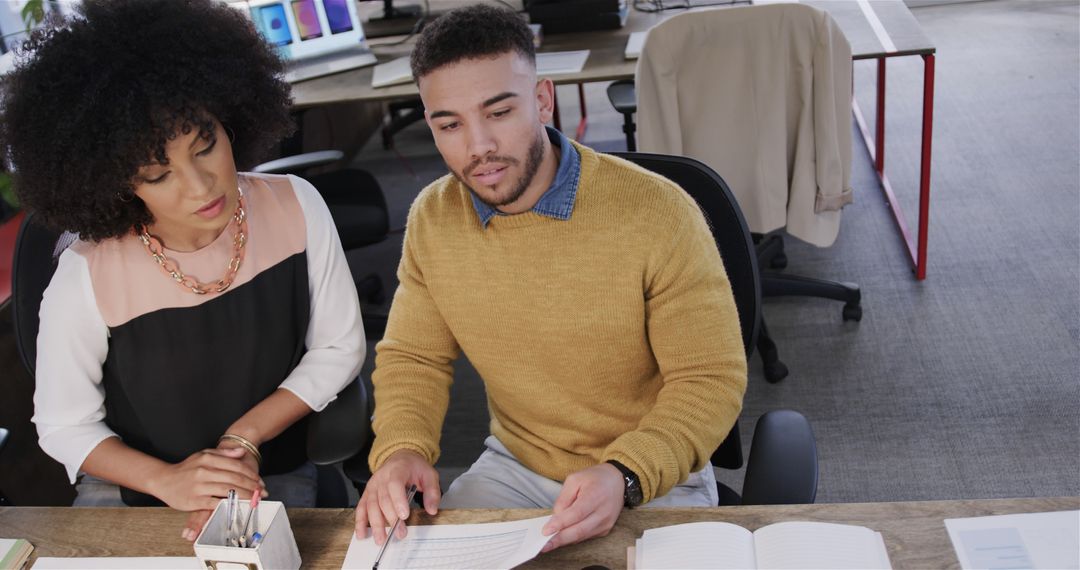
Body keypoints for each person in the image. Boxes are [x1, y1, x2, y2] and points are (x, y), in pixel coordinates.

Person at [354, 4, 747, 552]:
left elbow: (709, 379)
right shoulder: (433, 217)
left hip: (651, 475)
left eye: (499, 112)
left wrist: (626, 473)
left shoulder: (657, 212)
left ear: (543, 99)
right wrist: (401, 449)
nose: (478, 147)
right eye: (450, 124)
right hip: (516, 467)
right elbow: (414, 357)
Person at [0, 0, 364, 541]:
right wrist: (170, 481)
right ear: (118, 182)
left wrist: (242, 441)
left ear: (230, 117)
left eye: (206, 145)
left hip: (268, 467)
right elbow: (64, 427)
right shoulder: (86, 275)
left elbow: (339, 349)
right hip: (136, 488)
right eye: (158, 174)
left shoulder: (297, 206)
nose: (200, 187)